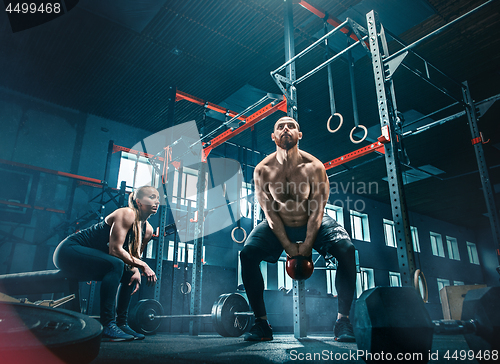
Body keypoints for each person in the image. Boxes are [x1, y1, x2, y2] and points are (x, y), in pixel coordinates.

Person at [240, 116, 357, 342]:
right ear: (273, 136)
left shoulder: (315, 167)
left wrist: (307, 244)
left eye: (291, 126)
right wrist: (287, 246)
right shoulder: (262, 170)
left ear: (299, 135)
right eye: (280, 127)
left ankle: (343, 321)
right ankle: (261, 323)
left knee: (347, 249)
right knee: (248, 254)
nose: (286, 128)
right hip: (279, 223)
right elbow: (270, 213)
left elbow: (317, 212)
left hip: (313, 220)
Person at [53, 185, 159, 342]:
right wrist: (143, 266)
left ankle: (121, 324)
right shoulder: (126, 213)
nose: (156, 201)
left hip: (95, 260)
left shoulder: (148, 230)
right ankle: (108, 324)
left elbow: (134, 256)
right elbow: (115, 250)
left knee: (129, 273)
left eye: (157, 198)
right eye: (151, 197)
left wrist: (136, 270)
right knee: (116, 263)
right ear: (138, 202)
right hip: (69, 252)